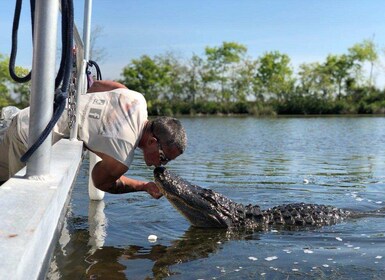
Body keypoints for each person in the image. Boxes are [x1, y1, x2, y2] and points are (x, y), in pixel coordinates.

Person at [0, 80, 187, 199]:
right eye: (164, 158)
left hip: (26, 115)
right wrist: (144, 186)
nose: (159, 165)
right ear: (152, 142)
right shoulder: (122, 156)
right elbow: (101, 181)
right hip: (30, 141)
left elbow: (97, 86)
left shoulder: (136, 98)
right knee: (20, 201)